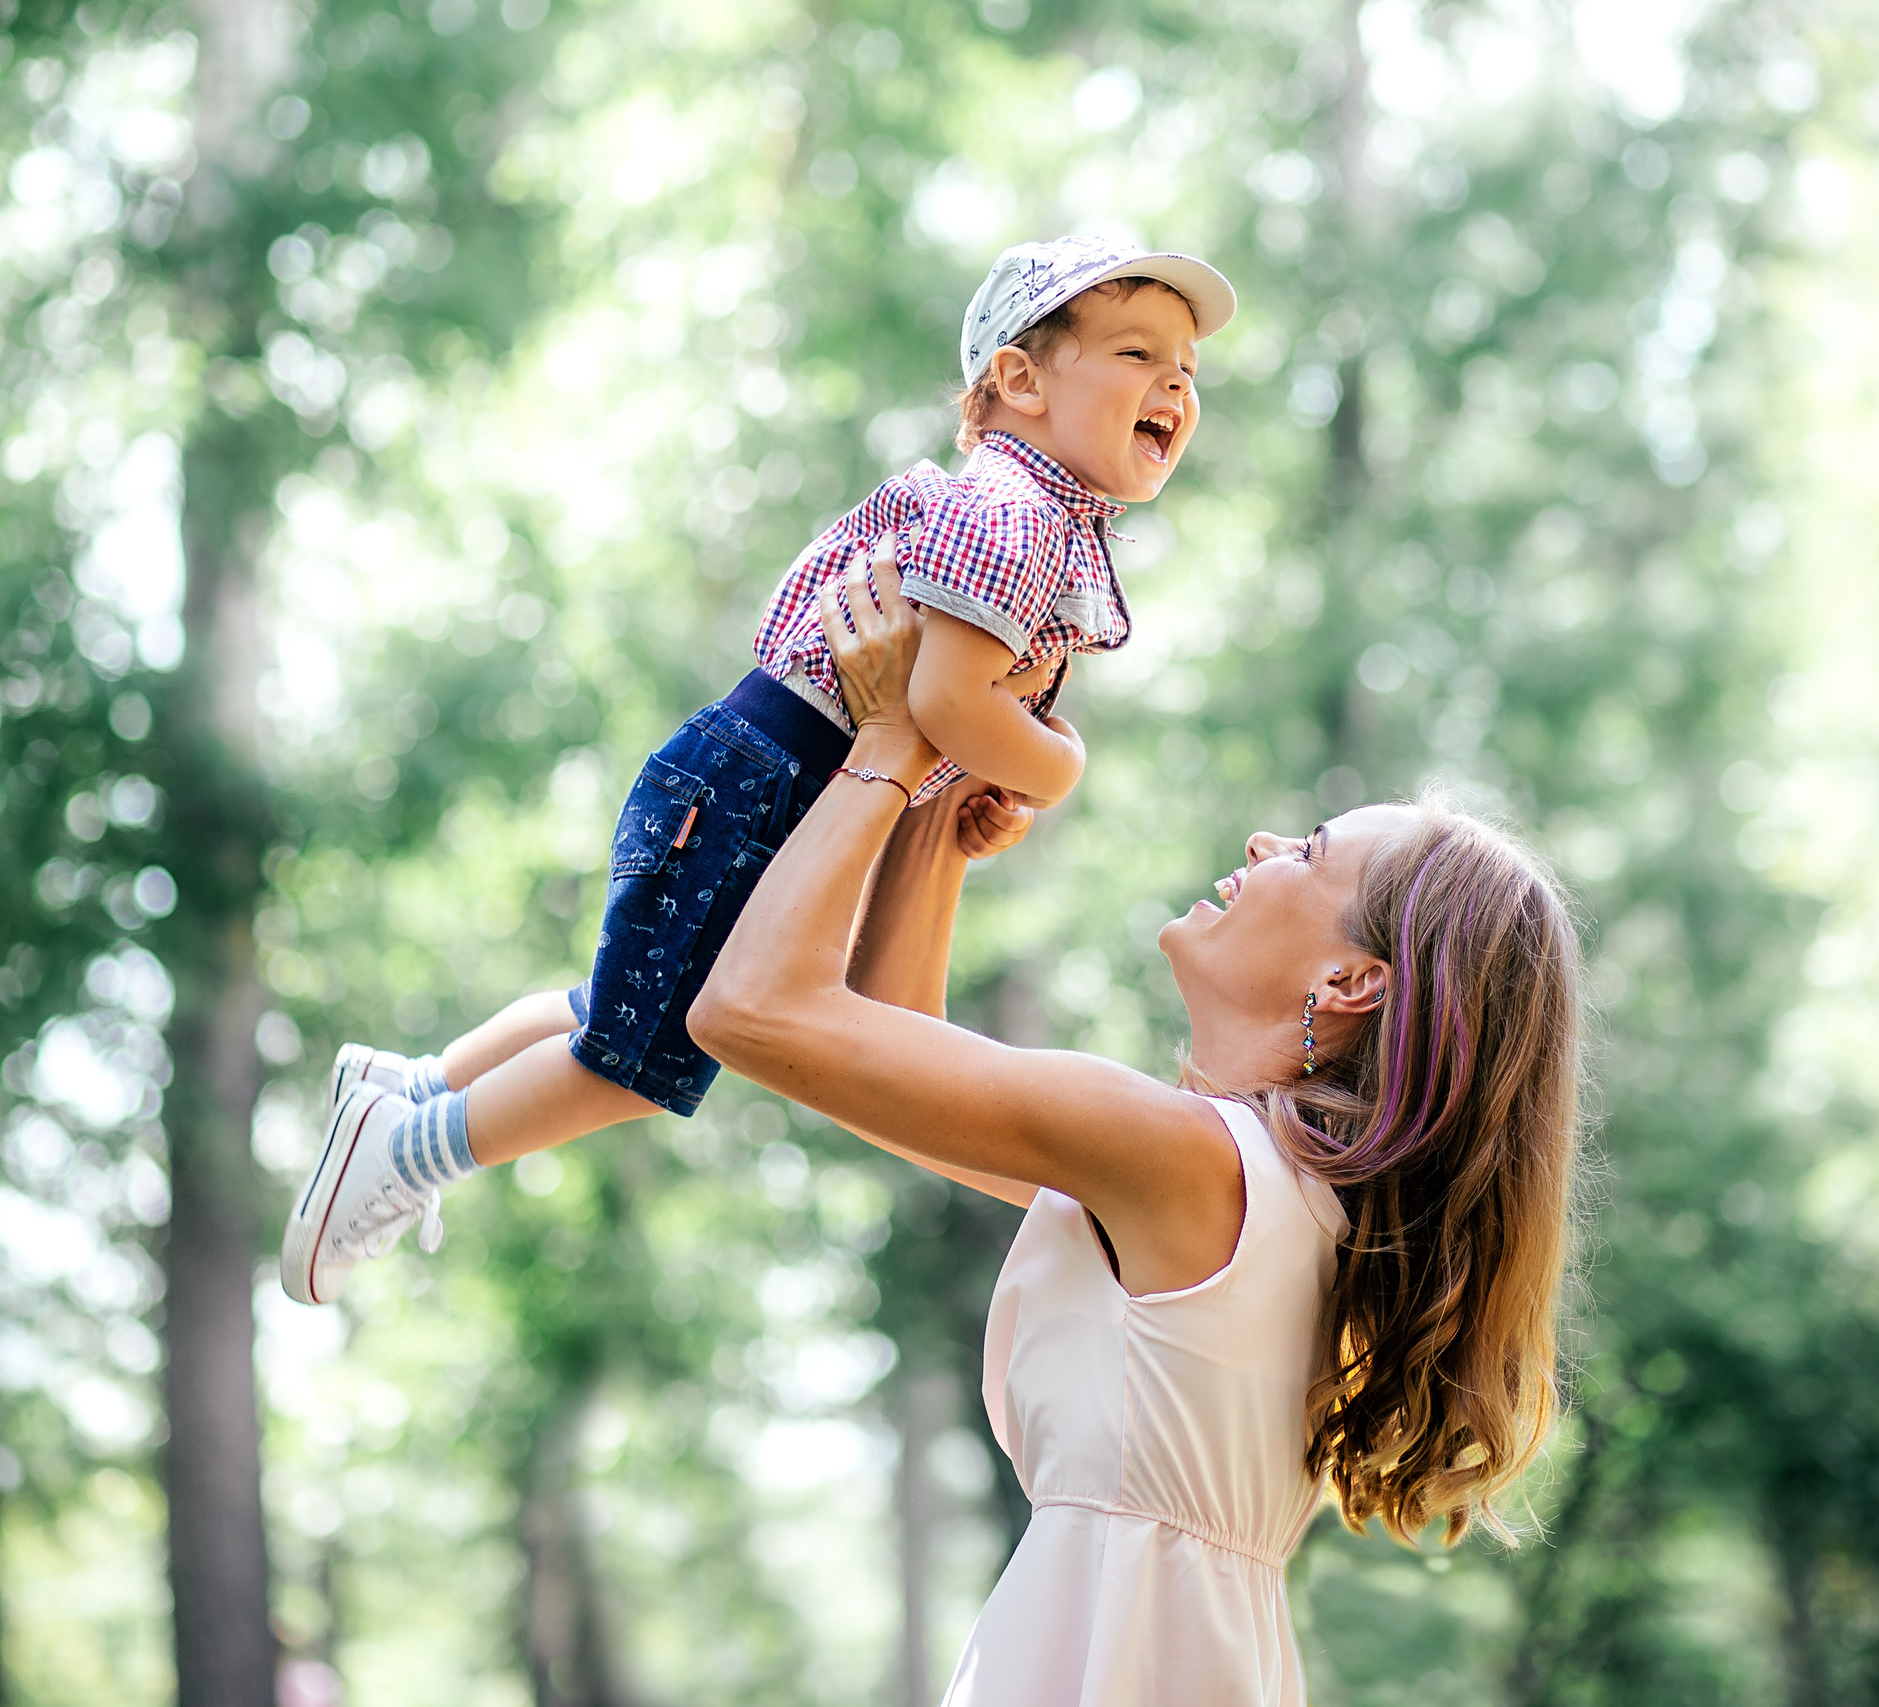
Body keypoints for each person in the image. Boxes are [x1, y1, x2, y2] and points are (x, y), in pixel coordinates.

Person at [687, 547, 1585, 1705]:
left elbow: (752, 1014)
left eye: (1307, 853)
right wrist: (939, 807)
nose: (1265, 844)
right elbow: (898, 1059)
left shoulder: (1178, 1159)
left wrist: (887, 746)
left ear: (1350, 983)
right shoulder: (1285, 1206)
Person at [282, 236, 1238, 1305]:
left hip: (759, 778)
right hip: (764, 784)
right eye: (1137, 352)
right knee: (640, 1065)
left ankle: (414, 1084)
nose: (1173, 386)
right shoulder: (1012, 516)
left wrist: (959, 791)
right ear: (1018, 378)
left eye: (1187, 371)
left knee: (627, 999)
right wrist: (1055, 766)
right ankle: (409, 1149)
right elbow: (941, 703)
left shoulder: (1037, 520)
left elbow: (948, 720)